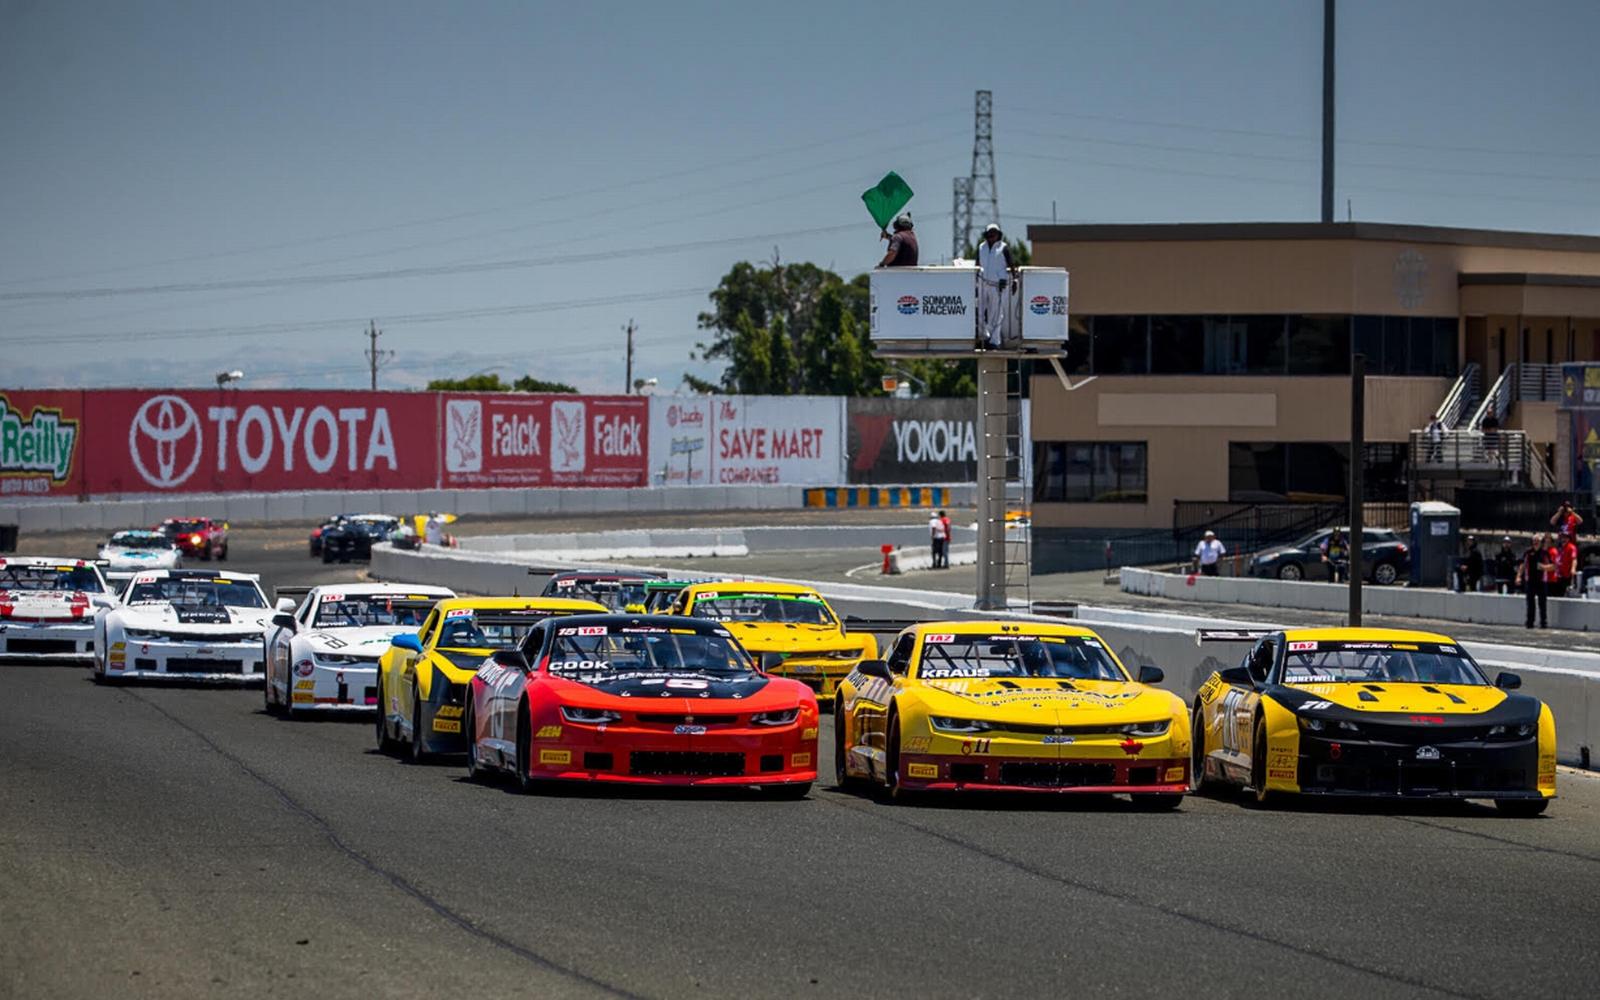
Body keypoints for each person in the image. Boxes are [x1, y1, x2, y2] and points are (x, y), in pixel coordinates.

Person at [975, 223, 1016, 350]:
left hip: (998, 285)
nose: (992, 236)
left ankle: (994, 340)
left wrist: (1014, 280)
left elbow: (1011, 264)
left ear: (998, 235)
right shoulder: (981, 247)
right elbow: (977, 263)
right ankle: (984, 336)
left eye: (995, 233)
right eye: (990, 233)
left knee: (996, 314)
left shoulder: (1003, 247)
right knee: (980, 311)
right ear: (986, 235)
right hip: (983, 283)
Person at [1517, 533, 1554, 629]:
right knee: (1530, 603)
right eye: (1534, 541)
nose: (1535, 543)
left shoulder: (1545, 553)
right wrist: (1518, 576)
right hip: (1530, 581)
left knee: (1542, 603)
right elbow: (1523, 565)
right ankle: (1530, 622)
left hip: (1542, 581)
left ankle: (1543, 623)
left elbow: (1553, 566)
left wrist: (1544, 567)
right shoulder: (1528, 552)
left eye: (1537, 542)